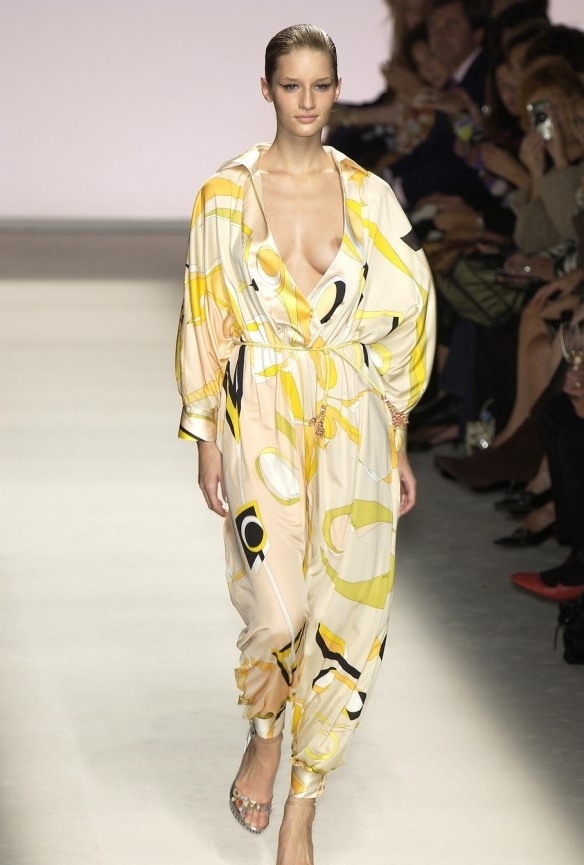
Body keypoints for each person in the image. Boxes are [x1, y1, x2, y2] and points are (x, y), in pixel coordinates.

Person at [175, 24, 436, 865]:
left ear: (337, 89)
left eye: (322, 85)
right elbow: (204, 313)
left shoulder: (369, 195)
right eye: (292, 85)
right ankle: (264, 730)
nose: (308, 101)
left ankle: (303, 800)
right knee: (278, 606)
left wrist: (398, 439)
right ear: (267, 90)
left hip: (355, 414)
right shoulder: (224, 193)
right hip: (259, 406)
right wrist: (204, 432)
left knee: (345, 617)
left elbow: (406, 319)